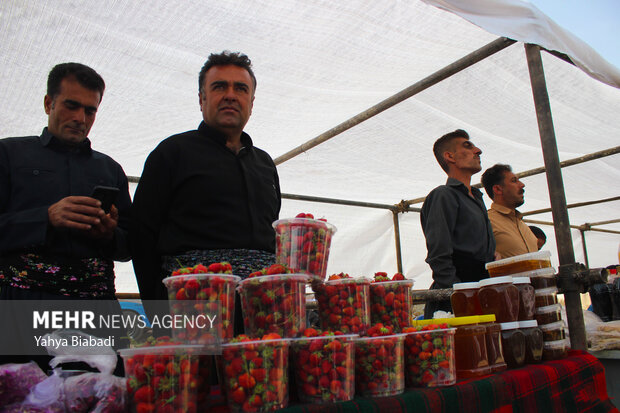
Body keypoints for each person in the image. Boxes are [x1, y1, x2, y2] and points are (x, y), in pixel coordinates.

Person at [130, 51, 281, 331]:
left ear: (251, 101)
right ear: (202, 99)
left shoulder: (265, 164)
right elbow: (141, 238)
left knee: (259, 376)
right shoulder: (171, 153)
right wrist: (160, 314)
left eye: (241, 88)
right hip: (194, 309)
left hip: (263, 310)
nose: (230, 95)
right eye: (219, 86)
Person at [0, 63, 131, 369]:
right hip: (21, 307)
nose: (80, 119)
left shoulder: (110, 169)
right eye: (71, 106)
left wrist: (109, 233)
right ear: (49, 103)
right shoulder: (8, 155)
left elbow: (130, 245)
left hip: (95, 310)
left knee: (104, 396)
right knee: (19, 395)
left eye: (90, 110)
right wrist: (45, 217)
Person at [420, 129, 495, 319]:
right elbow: (439, 256)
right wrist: (460, 296)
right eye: (468, 146)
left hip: (481, 293)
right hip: (456, 301)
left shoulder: (477, 198)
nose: (478, 150)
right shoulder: (443, 195)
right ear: (449, 156)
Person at [481, 164, 538, 258]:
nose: (522, 185)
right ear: (498, 189)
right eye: (514, 181)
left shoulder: (522, 225)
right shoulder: (486, 222)